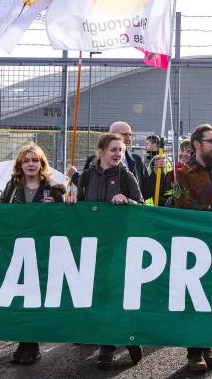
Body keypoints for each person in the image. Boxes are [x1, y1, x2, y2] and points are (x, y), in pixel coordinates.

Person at [74, 133, 144, 368]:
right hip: (93, 246)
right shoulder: (85, 177)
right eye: (113, 149)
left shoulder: (127, 176)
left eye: (121, 151)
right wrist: (71, 202)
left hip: (119, 245)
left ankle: (109, 346)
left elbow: (141, 206)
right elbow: (81, 208)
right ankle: (122, 340)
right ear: (101, 151)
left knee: (116, 294)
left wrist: (128, 200)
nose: (117, 154)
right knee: (99, 294)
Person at [171, 124, 212, 372]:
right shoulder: (180, 174)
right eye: (210, 141)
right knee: (193, 297)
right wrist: (210, 210)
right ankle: (193, 351)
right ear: (197, 144)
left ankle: (208, 346)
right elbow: (179, 203)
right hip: (193, 242)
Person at [0, 143, 68, 365]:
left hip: (43, 253)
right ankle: (24, 341)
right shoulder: (12, 186)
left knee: (36, 298)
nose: (30, 164)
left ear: (41, 164)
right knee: (20, 298)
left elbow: (66, 219)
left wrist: (58, 205)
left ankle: (32, 343)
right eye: (26, 160)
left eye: (35, 160)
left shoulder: (54, 189)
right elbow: (0, 213)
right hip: (18, 250)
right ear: (20, 164)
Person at [67, 121, 164, 201]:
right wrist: (75, 178)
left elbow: (144, 193)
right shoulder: (92, 161)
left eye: (130, 135)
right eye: (124, 134)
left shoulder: (136, 160)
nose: (128, 138)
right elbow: (87, 187)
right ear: (111, 135)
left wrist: (155, 173)